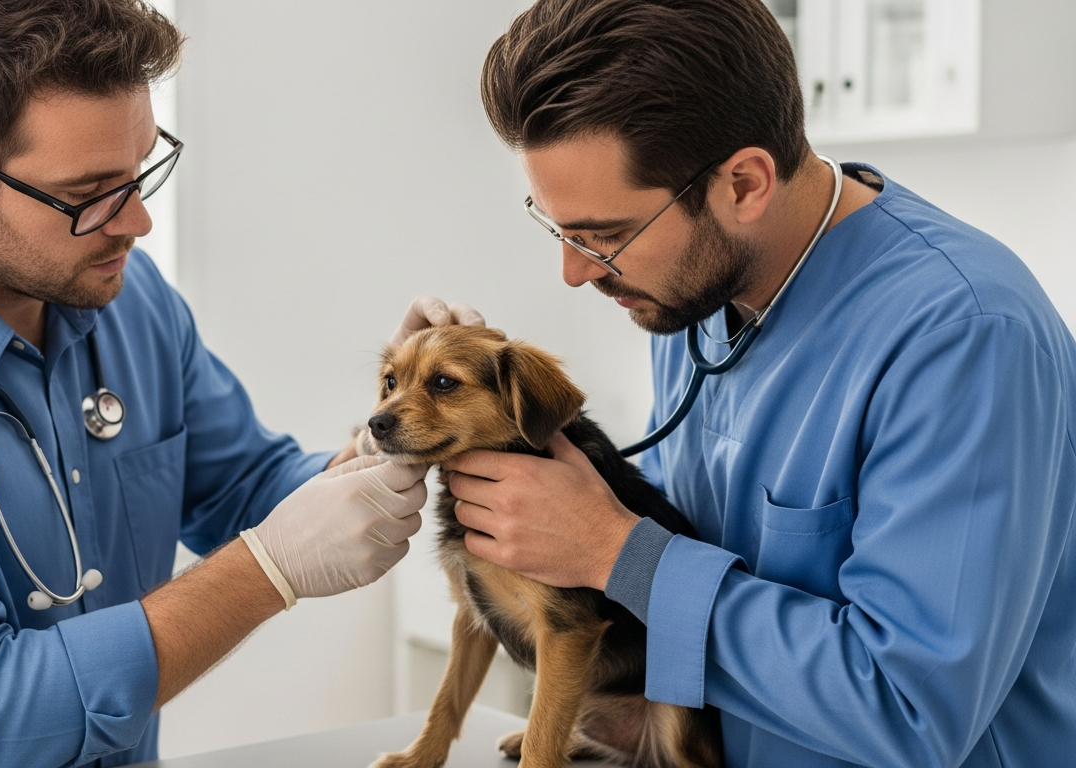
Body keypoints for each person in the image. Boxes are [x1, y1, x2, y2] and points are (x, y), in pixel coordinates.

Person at [0, 2, 482, 766]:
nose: (137, 222)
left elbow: (245, 487)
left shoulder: (128, 300)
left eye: (142, 170)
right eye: (88, 195)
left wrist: (396, 428)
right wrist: (266, 569)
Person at [436, 1, 1076, 766]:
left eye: (605, 236)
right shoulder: (696, 300)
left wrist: (617, 553)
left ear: (744, 183)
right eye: (559, 229)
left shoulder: (964, 336)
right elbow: (679, 561)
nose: (575, 273)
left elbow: (910, 710)